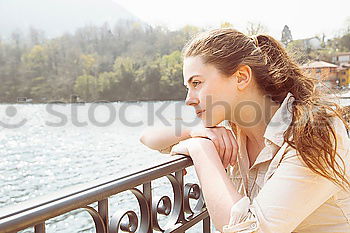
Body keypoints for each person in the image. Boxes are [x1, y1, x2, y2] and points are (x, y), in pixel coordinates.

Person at [140, 28, 350, 232]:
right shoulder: (230, 127)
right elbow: (147, 135)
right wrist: (191, 130)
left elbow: (249, 230)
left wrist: (201, 150)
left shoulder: (314, 132)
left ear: (241, 77)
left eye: (197, 83)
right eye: (188, 87)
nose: (189, 100)